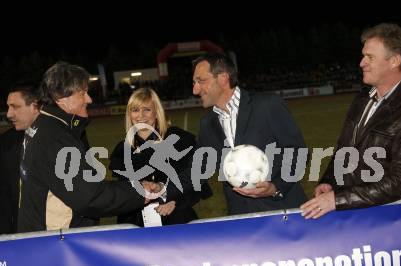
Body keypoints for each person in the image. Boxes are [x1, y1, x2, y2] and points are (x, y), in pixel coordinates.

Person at [300, 23, 401, 219]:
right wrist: (330, 181)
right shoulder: (363, 98)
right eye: (363, 56)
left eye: (370, 57)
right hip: (353, 214)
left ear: (394, 61)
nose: (362, 63)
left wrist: (337, 200)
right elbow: (345, 149)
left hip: (390, 221)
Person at [154, 52, 307, 216]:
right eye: (194, 82)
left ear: (223, 78)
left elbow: (298, 152)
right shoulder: (207, 124)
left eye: (201, 81)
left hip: (284, 212)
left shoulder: (267, 105)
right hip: (241, 219)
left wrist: (275, 187)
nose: (195, 89)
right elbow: (196, 172)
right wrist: (160, 190)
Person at [18, 62, 152, 233]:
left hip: (42, 236)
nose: (89, 99)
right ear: (61, 97)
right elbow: (90, 196)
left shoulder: (44, 125)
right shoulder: (56, 137)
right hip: (56, 244)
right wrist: (139, 191)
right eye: (83, 93)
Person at [109, 87, 211, 226]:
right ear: (129, 114)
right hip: (137, 226)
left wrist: (175, 200)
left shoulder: (177, 139)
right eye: (135, 110)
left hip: (176, 221)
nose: (141, 116)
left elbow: (196, 181)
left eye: (147, 109)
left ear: (157, 111)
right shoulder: (122, 149)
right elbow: (122, 193)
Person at [0, 83, 40, 234]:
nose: (9, 114)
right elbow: (4, 195)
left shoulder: (61, 138)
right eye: (8, 107)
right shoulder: (6, 142)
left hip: (56, 235)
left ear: (34, 106)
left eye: (15, 107)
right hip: (18, 235)